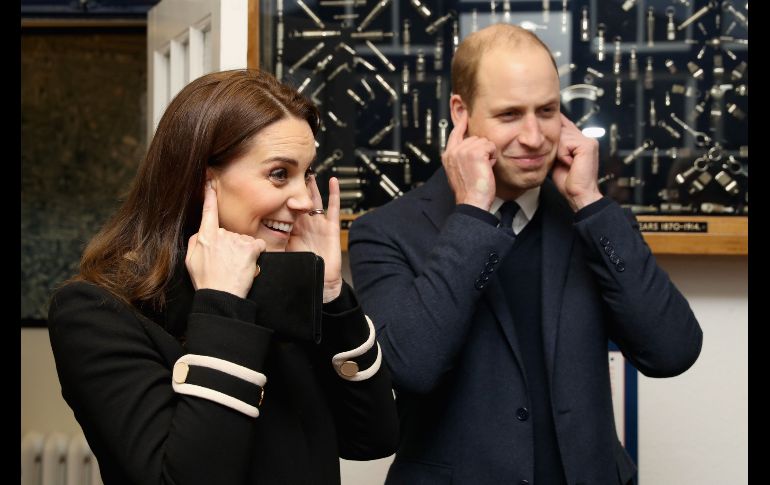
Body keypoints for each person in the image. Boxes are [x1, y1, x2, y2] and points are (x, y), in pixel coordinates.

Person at [349, 24, 702, 485]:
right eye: (510, 114)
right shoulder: (385, 232)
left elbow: (672, 351)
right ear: (462, 113)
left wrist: (589, 203)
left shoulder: (592, 220)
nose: (535, 137)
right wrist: (473, 213)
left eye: (548, 111)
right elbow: (409, 369)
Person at [48, 69, 398, 485]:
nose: (305, 200)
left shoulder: (283, 288)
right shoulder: (96, 312)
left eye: (306, 174)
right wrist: (222, 304)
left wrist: (331, 294)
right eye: (279, 174)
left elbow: (373, 437)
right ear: (204, 180)